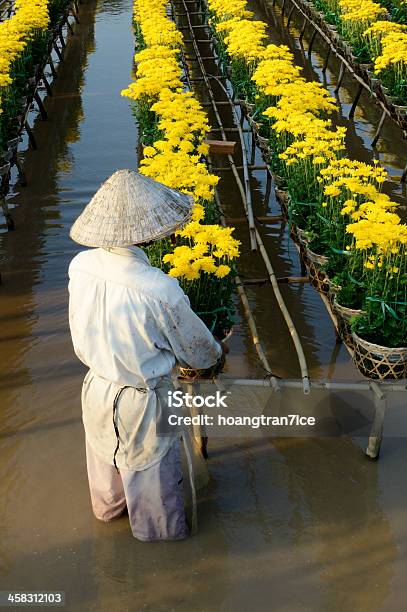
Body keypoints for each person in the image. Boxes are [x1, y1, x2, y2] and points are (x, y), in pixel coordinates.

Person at [68, 169, 224, 542]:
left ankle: (109, 520)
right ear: (149, 230)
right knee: (156, 496)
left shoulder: (81, 266)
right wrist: (217, 353)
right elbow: (199, 352)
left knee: (106, 468)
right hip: (144, 402)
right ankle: (165, 559)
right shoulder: (158, 288)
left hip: (96, 389)